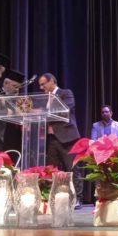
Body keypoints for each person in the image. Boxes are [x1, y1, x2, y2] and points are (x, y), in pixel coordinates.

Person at [38, 73, 83, 207]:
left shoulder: (65, 93)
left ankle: (77, 198)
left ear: (52, 81)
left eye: (43, 84)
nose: (41, 87)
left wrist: (44, 112)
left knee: (72, 169)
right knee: (53, 170)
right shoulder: (44, 98)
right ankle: (55, 197)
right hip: (51, 139)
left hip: (67, 138)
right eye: (40, 85)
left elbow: (66, 109)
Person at [0, 69, 26, 161]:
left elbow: (25, 114)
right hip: (1, 134)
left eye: (19, 87)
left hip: (15, 136)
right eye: (15, 86)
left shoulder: (21, 99)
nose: (17, 90)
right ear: (6, 83)